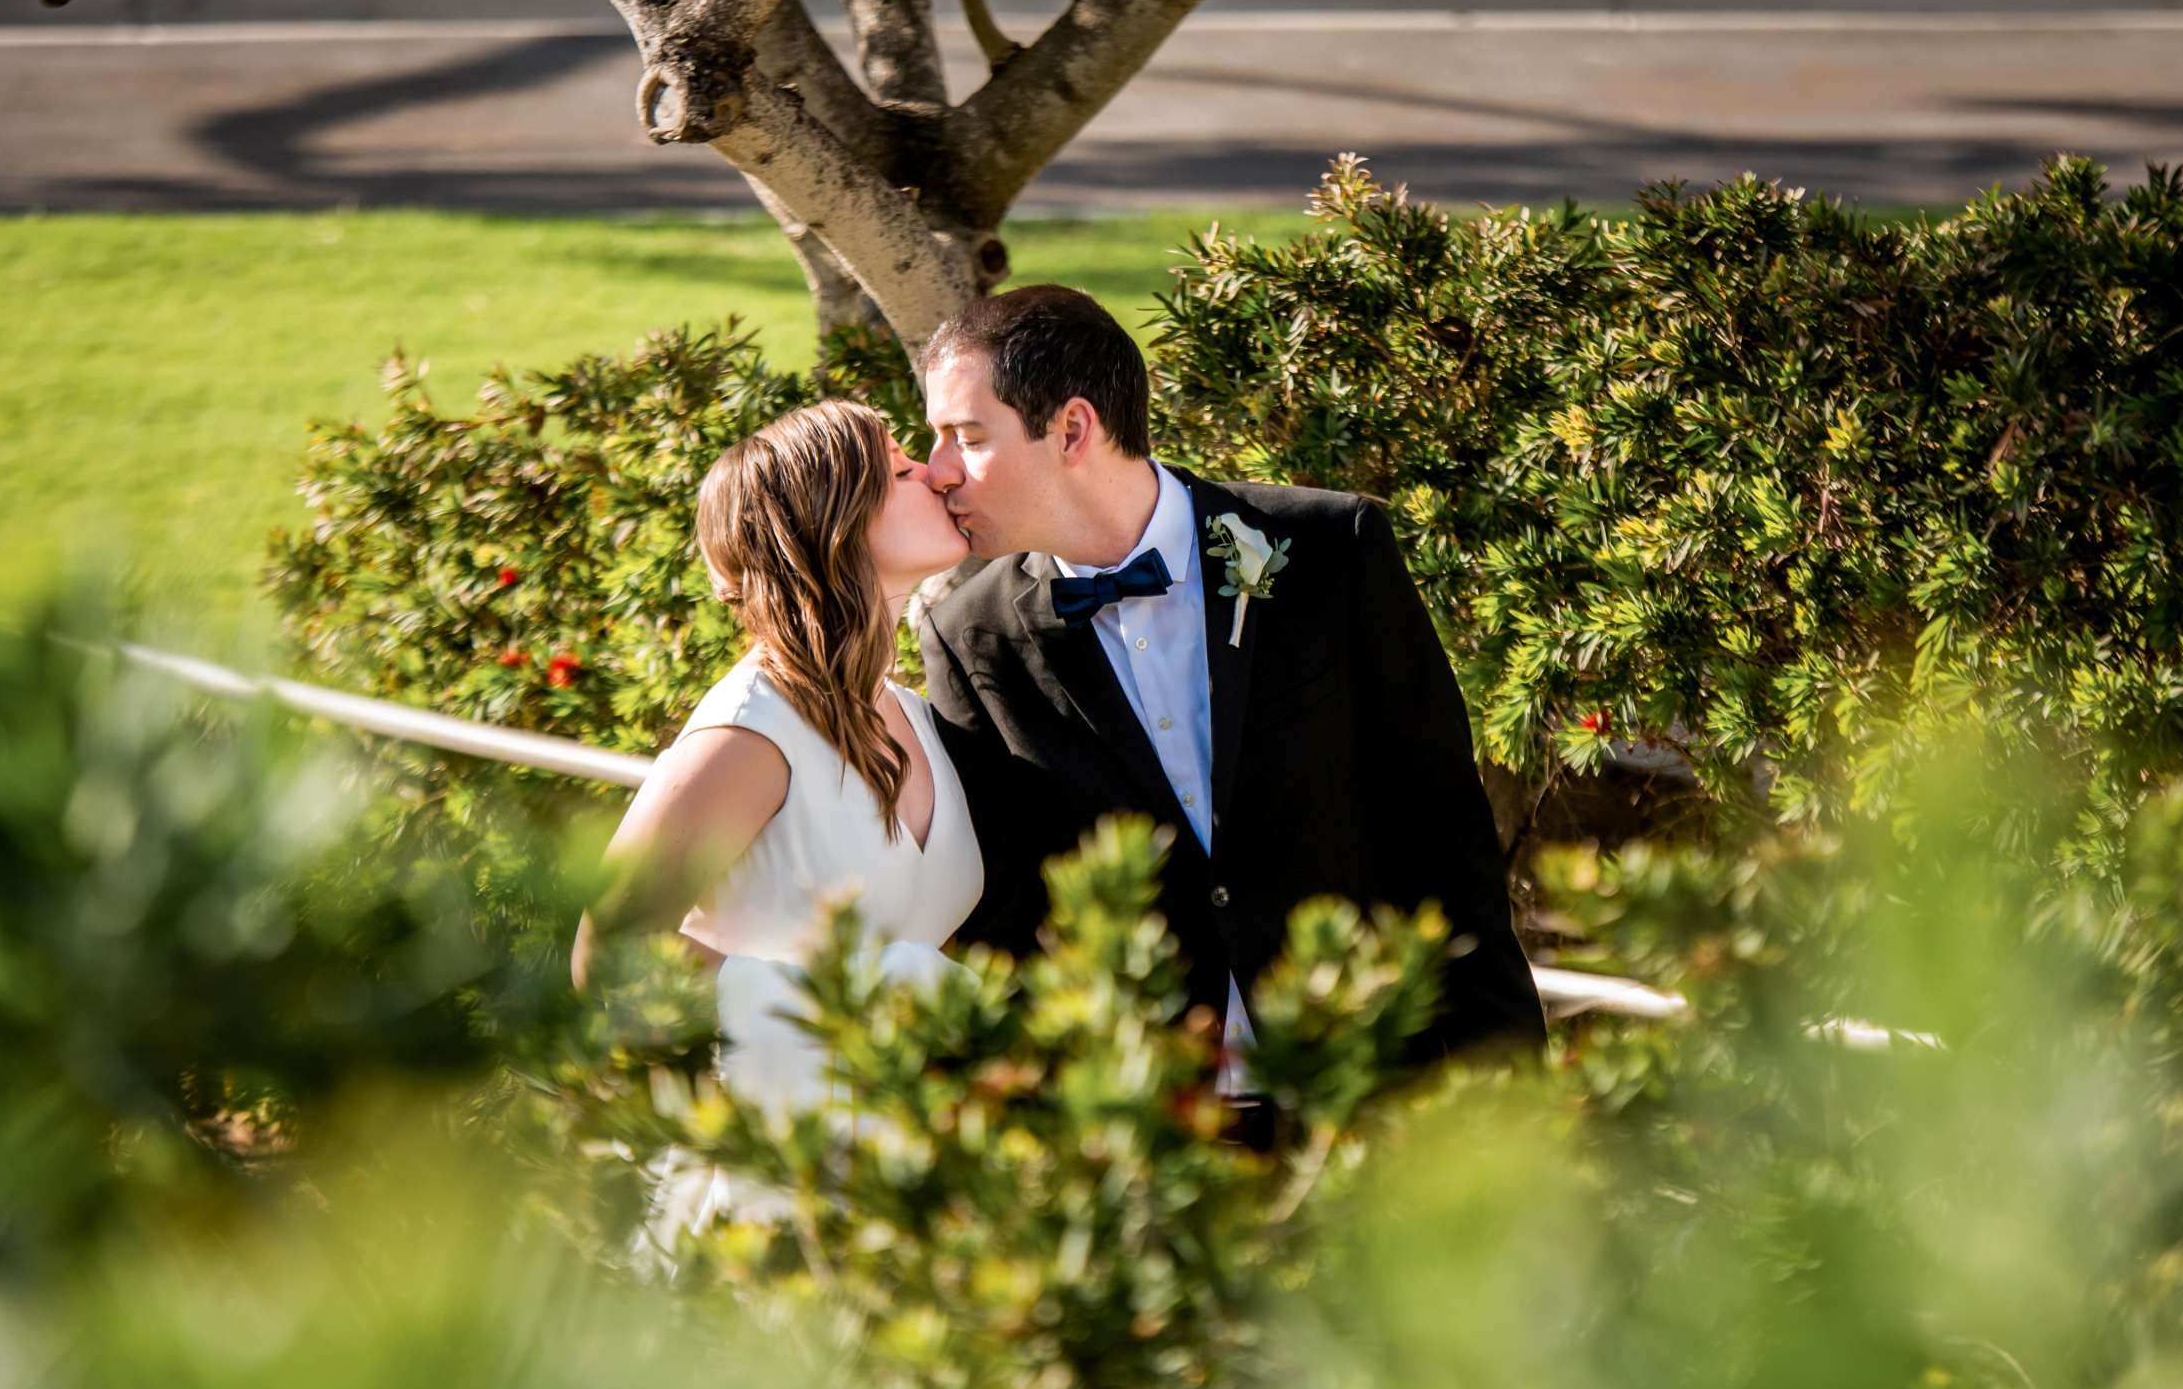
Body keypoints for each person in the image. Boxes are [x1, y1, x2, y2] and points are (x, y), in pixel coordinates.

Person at [916, 285, 1546, 1131]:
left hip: (1379, 1099)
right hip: (1160, 1139)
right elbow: (1010, 922)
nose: (939, 469)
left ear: (1071, 429)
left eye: (966, 436)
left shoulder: (1331, 551)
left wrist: (1510, 1095)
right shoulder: (971, 638)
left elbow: (1442, 831)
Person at [578, 399, 982, 1239]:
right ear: (835, 522)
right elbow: (607, 954)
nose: (937, 475)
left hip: (917, 1170)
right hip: (772, 1187)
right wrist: (813, 1017)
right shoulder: (748, 731)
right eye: (902, 470)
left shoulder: (911, 712)